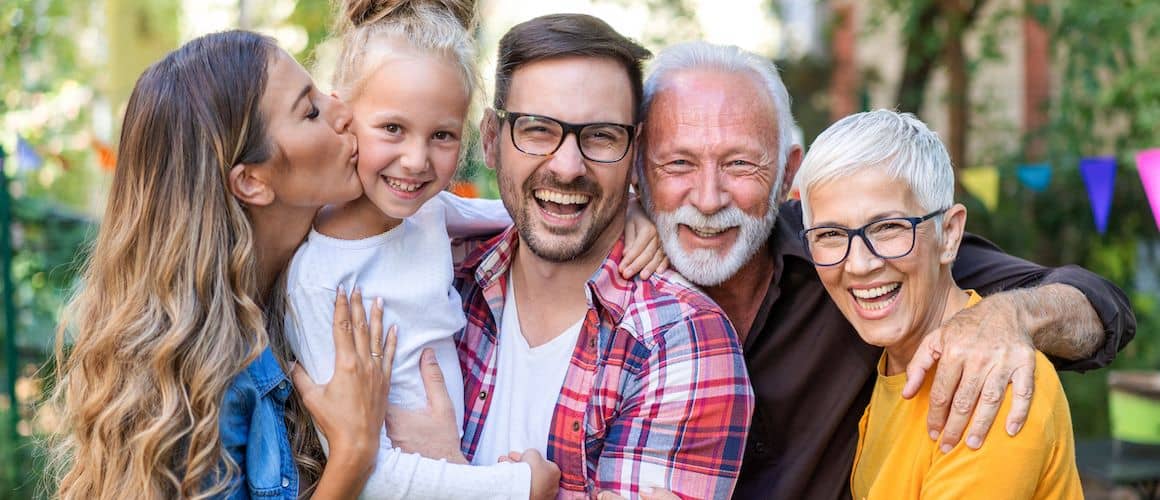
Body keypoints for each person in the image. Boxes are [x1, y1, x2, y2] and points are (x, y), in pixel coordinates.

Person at [634, 41, 1134, 499]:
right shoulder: (613, 287)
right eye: (677, 164)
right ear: (640, 173)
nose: (706, 198)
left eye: (740, 164)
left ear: (787, 172)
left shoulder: (972, 370)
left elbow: (1096, 301)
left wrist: (1013, 318)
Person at [283, 2, 664, 498]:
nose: (416, 160)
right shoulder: (320, 279)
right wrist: (516, 486)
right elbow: (364, 470)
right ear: (341, 117)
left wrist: (630, 208)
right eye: (392, 129)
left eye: (441, 135)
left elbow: (531, 210)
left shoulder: (427, 214)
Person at [387, 14, 754, 499]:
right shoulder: (439, 280)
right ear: (493, 140)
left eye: (601, 135)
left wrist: (445, 472)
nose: (567, 166)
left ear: (635, 154)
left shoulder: (678, 341)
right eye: (538, 130)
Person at [49, 31, 397, 499]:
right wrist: (354, 453)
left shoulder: (313, 288)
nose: (343, 111)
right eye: (310, 111)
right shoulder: (202, 387)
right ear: (252, 181)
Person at [795, 109, 1081, 498]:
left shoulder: (992, 382)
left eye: (889, 227)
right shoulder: (891, 365)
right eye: (830, 234)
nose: (859, 264)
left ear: (948, 234)